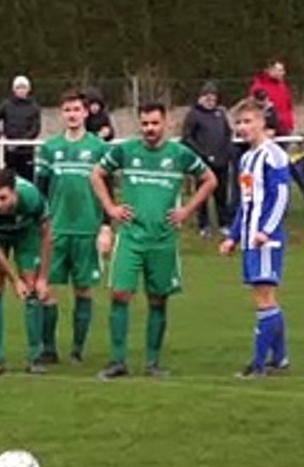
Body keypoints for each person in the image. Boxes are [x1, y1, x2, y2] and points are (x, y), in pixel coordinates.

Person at [90, 102, 218, 380]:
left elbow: (210, 180)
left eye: (154, 123)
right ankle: (118, 360)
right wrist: (111, 208)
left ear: (166, 124)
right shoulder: (125, 151)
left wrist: (186, 210)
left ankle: (152, 362)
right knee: (119, 294)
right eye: (145, 124)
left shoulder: (180, 154)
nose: (149, 129)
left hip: (163, 239)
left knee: (158, 299)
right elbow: (97, 174)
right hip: (131, 237)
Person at [33, 91, 113, 365]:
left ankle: (78, 349)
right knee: (47, 290)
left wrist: (105, 226)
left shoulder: (99, 148)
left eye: (76, 109)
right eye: (67, 110)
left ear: (85, 112)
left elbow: (108, 190)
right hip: (56, 230)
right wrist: (41, 224)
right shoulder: (50, 148)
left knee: (83, 290)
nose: (72, 114)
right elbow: (39, 191)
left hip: (87, 229)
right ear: (62, 113)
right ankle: (48, 348)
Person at [218, 99, 291, 378]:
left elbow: (281, 196)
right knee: (266, 297)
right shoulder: (247, 158)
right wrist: (234, 236)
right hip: (250, 238)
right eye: (239, 123)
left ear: (262, 123)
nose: (242, 128)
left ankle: (259, 364)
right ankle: (280, 358)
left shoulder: (273, 155)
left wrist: (266, 231)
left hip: (265, 240)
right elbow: (246, 203)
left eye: (248, 122)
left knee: (263, 298)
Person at [0, 168, 53, 376]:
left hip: (26, 234)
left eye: (3, 198)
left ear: (15, 193)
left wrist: (43, 277)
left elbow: (46, 236)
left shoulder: (32, 198)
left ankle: (36, 356)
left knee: (32, 288)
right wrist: (14, 280)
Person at [181, 82, 234, 237]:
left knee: (222, 195)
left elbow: (227, 134)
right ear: (201, 98)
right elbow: (187, 138)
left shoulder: (220, 114)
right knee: (202, 196)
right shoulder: (194, 114)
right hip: (203, 163)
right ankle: (204, 225)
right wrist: (203, 154)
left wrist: (226, 153)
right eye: (207, 98)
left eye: (213, 98)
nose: (211, 102)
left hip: (222, 161)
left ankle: (224, 223)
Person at [0, 75, 42, 181]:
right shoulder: (6, 105)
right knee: (7, 181)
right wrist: (0, 137)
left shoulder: (34, 107)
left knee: (27, 181)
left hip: (26, 152)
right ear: (13, 89)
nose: (21, 90)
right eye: (18, 87)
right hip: (9, 152)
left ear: (29, 89)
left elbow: (36, 128)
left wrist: (23, 141)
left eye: (24, 87)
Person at [247, 58, 295, 136]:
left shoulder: (283, 87)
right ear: (270, 70)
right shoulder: (259, 87)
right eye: (279, 70)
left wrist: (290, 123)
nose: (283, 73)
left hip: (285, 128)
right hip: (268, 131)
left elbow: (289, 106)